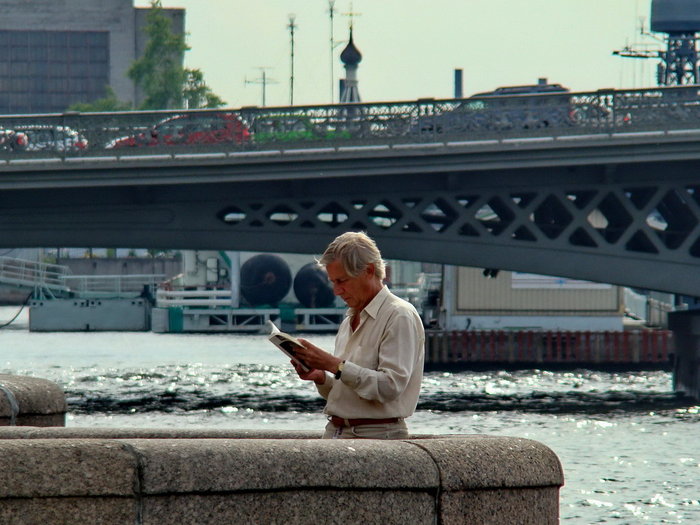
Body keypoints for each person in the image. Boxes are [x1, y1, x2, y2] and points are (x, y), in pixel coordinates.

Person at [292, 232, 425, 439]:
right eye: (333, 282)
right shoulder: (350, 319)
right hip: (338, 432)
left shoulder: (399, 315)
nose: (336, 291)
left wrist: (334, 365)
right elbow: (350, 390)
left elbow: (390, 387)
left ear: (369, 271)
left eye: (342, 281)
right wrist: (320, 377)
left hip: (376, 436)